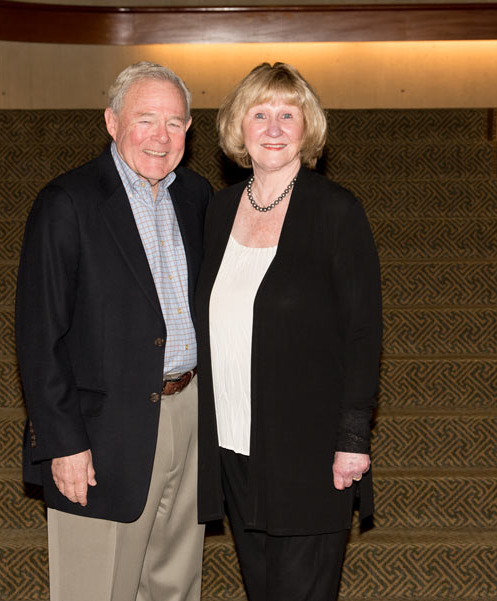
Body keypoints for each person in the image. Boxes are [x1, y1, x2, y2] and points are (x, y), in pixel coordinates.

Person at [15, 61, 211, 601]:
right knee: (94, 591)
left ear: (189, 131)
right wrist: (64, 443)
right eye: (145, 119)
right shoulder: (68, 202)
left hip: (189, 414)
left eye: (175, 123)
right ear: (111, 122)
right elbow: (40, 337)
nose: (160, 136)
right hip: (100, 436)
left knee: (176, 585)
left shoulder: (196, 196)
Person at [195, 62, 382, 601]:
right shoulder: (219, 210)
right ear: (239, 128)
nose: (273, 127)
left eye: (287, 114)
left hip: (310, 452)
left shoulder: (335, 211)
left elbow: (363, 332)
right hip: (235, 446)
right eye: (260, 114)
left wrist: (351, 439)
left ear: (308, 129)